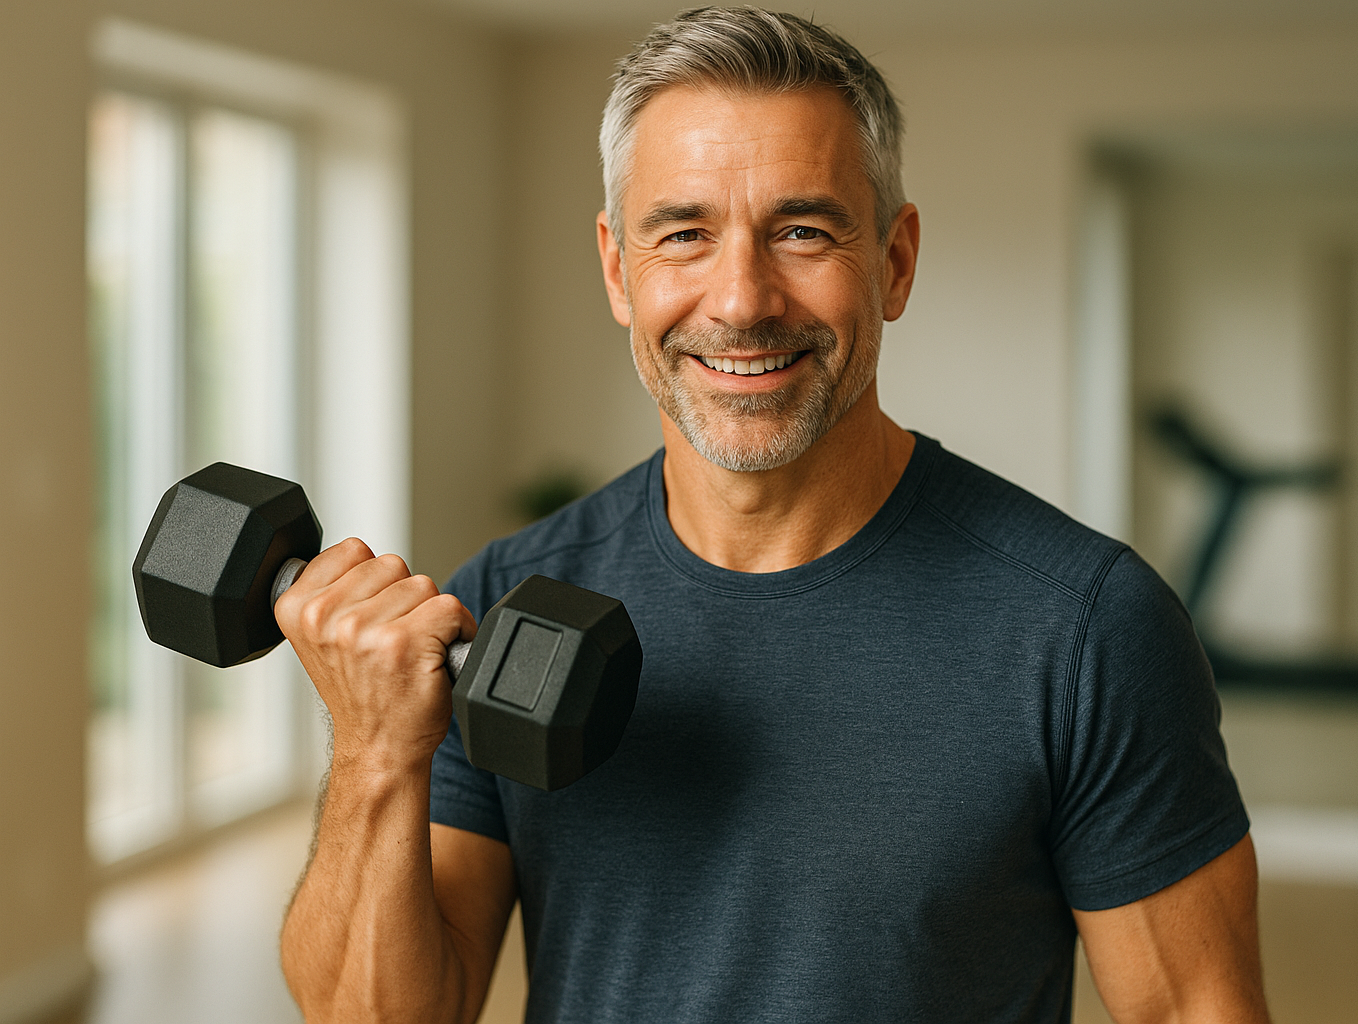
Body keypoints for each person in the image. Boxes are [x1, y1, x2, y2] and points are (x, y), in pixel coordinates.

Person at [276, 8, 1270, 1023]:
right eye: (685, 234)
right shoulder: (504, 600)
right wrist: (372, 748)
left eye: (801, 230)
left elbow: (1198, 1007)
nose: (742, 300)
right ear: (619, 269)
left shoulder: (1086, 628)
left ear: (894, 261)